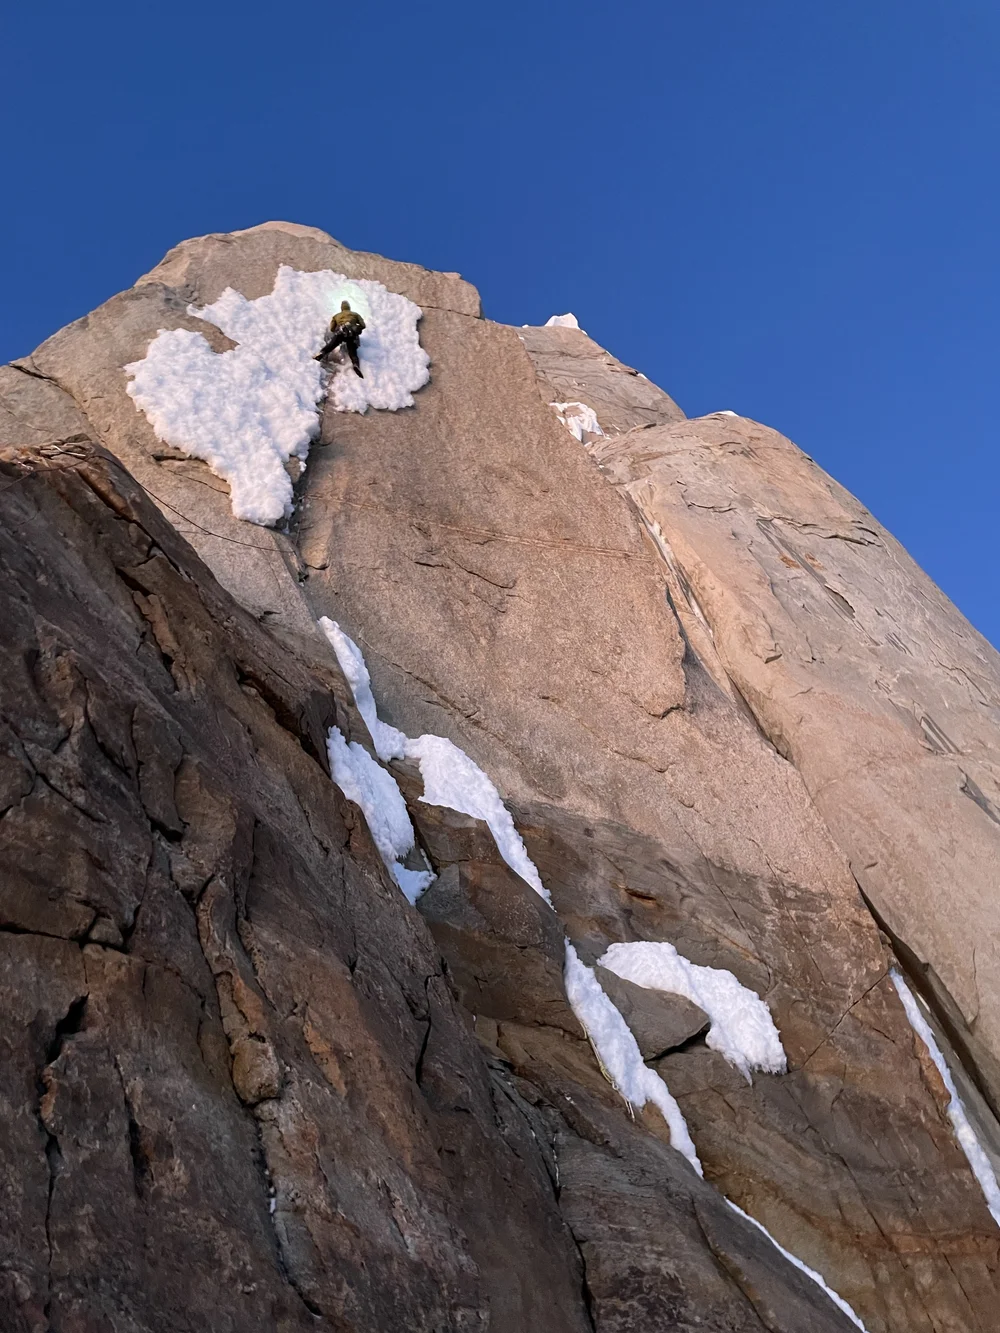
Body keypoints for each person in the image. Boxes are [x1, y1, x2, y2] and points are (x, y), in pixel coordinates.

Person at [314, 301, 366, 377]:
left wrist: (338, 329)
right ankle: (355, 364)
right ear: (349, 307)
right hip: (352, 334)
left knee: (332, 345)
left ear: (341, 308)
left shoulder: (336, 316)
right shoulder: (355, 314)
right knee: (352, 351)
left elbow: (332, 328)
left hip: (341, 331)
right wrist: (356, 328)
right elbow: (363, 325)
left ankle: (322, 353)